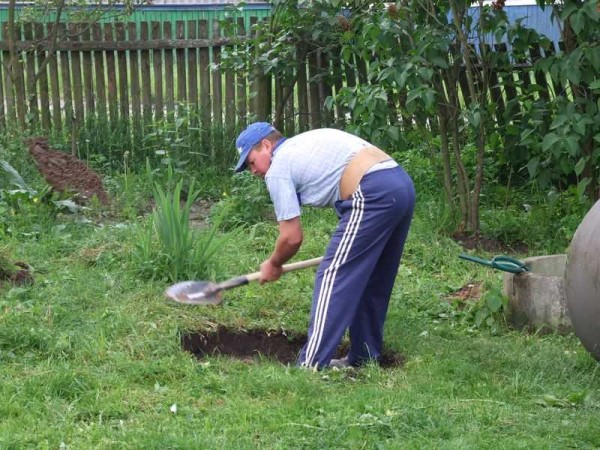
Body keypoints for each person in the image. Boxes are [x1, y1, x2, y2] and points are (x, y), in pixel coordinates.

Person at [234, 122, 415, 369]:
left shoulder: (280, 166)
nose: (253, 171)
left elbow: (291, 237)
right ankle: (363, 358)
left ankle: (311, 364)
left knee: (333, 275)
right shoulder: (304, 144)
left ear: (267, 145)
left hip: (372, 192)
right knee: (373, 277)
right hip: (399, 184)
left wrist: (274, 263)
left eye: (252, 162)